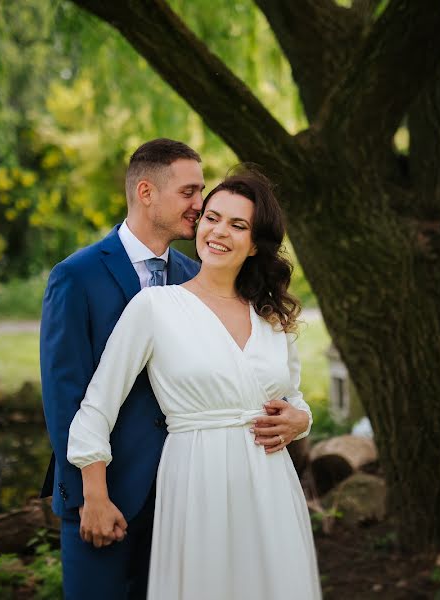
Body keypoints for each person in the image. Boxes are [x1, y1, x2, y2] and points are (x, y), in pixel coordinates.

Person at [40, 141, 310, 599]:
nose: (202, 208)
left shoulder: (201, 274)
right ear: (146, 192)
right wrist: (90, 496)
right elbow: (71, 399)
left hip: (203, 491)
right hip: (116, 488)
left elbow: (284, 388)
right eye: (192, 194)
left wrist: (301, 418)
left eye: (233, 221)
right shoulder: (78, 276)